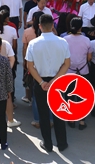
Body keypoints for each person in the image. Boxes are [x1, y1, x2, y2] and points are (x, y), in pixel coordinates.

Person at [25, 14, 71, 153]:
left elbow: (30, 66)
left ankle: (48, 144)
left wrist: (42, 82)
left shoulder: (33, 43)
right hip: (58, 81)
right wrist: (54, 80)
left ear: (39, 26)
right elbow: (67, 64)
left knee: (43, 114)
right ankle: (62, 143)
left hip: (40, 82)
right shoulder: (62, 42)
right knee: (59, 113)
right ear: (52, 26)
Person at [63, 17, 92, 130]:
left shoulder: (65, 39)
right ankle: (82, 121)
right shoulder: (87, 40)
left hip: (69, 71)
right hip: (83, 71)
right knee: (82, 96)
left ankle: (71, 118)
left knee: (69, 95)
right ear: (81, 27)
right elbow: (89, 58)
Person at [0, 9, 19, 102]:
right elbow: (15, 46)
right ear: (7, 18)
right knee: (10, 79)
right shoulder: (12, 29)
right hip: (9, 58)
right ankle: (11, 100)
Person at [22, 11, 43, 107]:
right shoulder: (45, 32)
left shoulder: (27, 31)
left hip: (30, 60)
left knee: (29, 80)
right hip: (42, 60)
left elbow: (24, 48)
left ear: (33, 19)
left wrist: (24, 60)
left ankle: (29, 97)